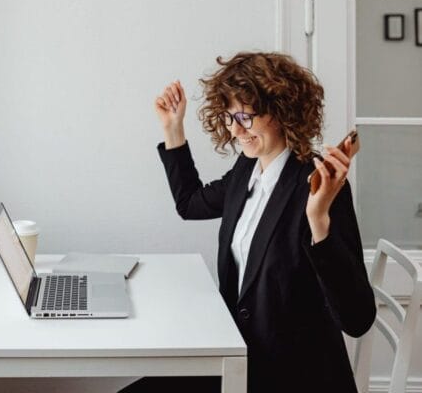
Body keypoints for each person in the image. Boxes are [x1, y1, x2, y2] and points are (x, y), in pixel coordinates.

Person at [120, 52, 376, 393]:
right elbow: (190, 203)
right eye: (229, 117)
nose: (236, 130)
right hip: (238, 355)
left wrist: (318, 220)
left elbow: (357, 318)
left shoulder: (319, 184)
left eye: (245, 117)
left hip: (290, 375)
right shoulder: (247, 168)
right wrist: (173, 127)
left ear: (282, 111)